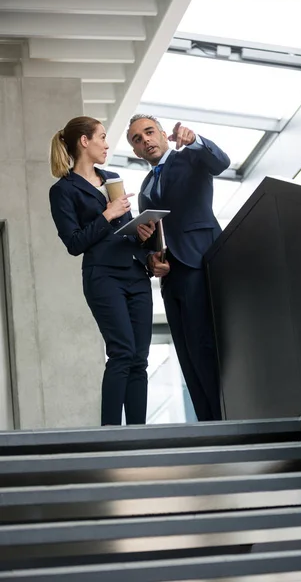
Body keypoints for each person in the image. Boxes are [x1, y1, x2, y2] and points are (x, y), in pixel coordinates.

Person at [49, 116, 162, 426]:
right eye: (101, 137)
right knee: (122, 353)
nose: (107, 144)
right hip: (103, 277)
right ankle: (110, 437)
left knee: (139, 360)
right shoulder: (63, 190)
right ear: (84, 142)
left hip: (135, 273)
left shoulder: (111, 177)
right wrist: (107, 213)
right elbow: (74, 243)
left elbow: (121, 229)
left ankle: (139, 437)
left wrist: (141, 235)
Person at [126, 115, 231, 421]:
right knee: (187, 355)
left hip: (200, 262)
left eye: (148, 132)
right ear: (135, 151)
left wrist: (195, 139)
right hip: (170, 277)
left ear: (163, 134)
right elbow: (156, 234)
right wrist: (150, 256)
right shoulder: (146, 185)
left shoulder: (192, 158)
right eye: (137, 139)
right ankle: (208, 424)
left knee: (205, 347)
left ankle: (225, 422)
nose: (145, 140)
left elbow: (221, 162)